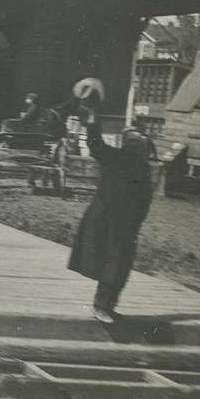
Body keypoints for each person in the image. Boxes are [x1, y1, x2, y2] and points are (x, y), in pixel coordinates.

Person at [68, 104, 154, 323]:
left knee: (121, 266)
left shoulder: (143, 168)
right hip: (106, 219)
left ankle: (109, 305)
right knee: (111, 264)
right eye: (131, 142)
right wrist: (94, 118)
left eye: (138, 143)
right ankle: (101, 307)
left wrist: (137, 223)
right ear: (125, 144)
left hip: (126, 224)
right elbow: (95, 144)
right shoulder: (114, 157)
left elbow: (145, 199)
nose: (135, 146)